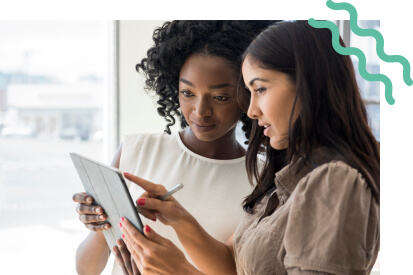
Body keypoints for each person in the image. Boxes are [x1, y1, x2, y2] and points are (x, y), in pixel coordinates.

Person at [118, 20, 380, 274]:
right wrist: (178, 218)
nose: (252, 111)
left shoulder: (334, 182)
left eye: (261, 89)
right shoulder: (287, 176)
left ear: (307, 85)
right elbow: (235, 265)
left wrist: (179, 271)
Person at [72, 20, 276, 275]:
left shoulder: (264, 179)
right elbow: (86, 269)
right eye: (187, 93)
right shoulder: (137, 150)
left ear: (247, 94)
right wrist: (102, 226)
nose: (200, 111)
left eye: (220, 97)